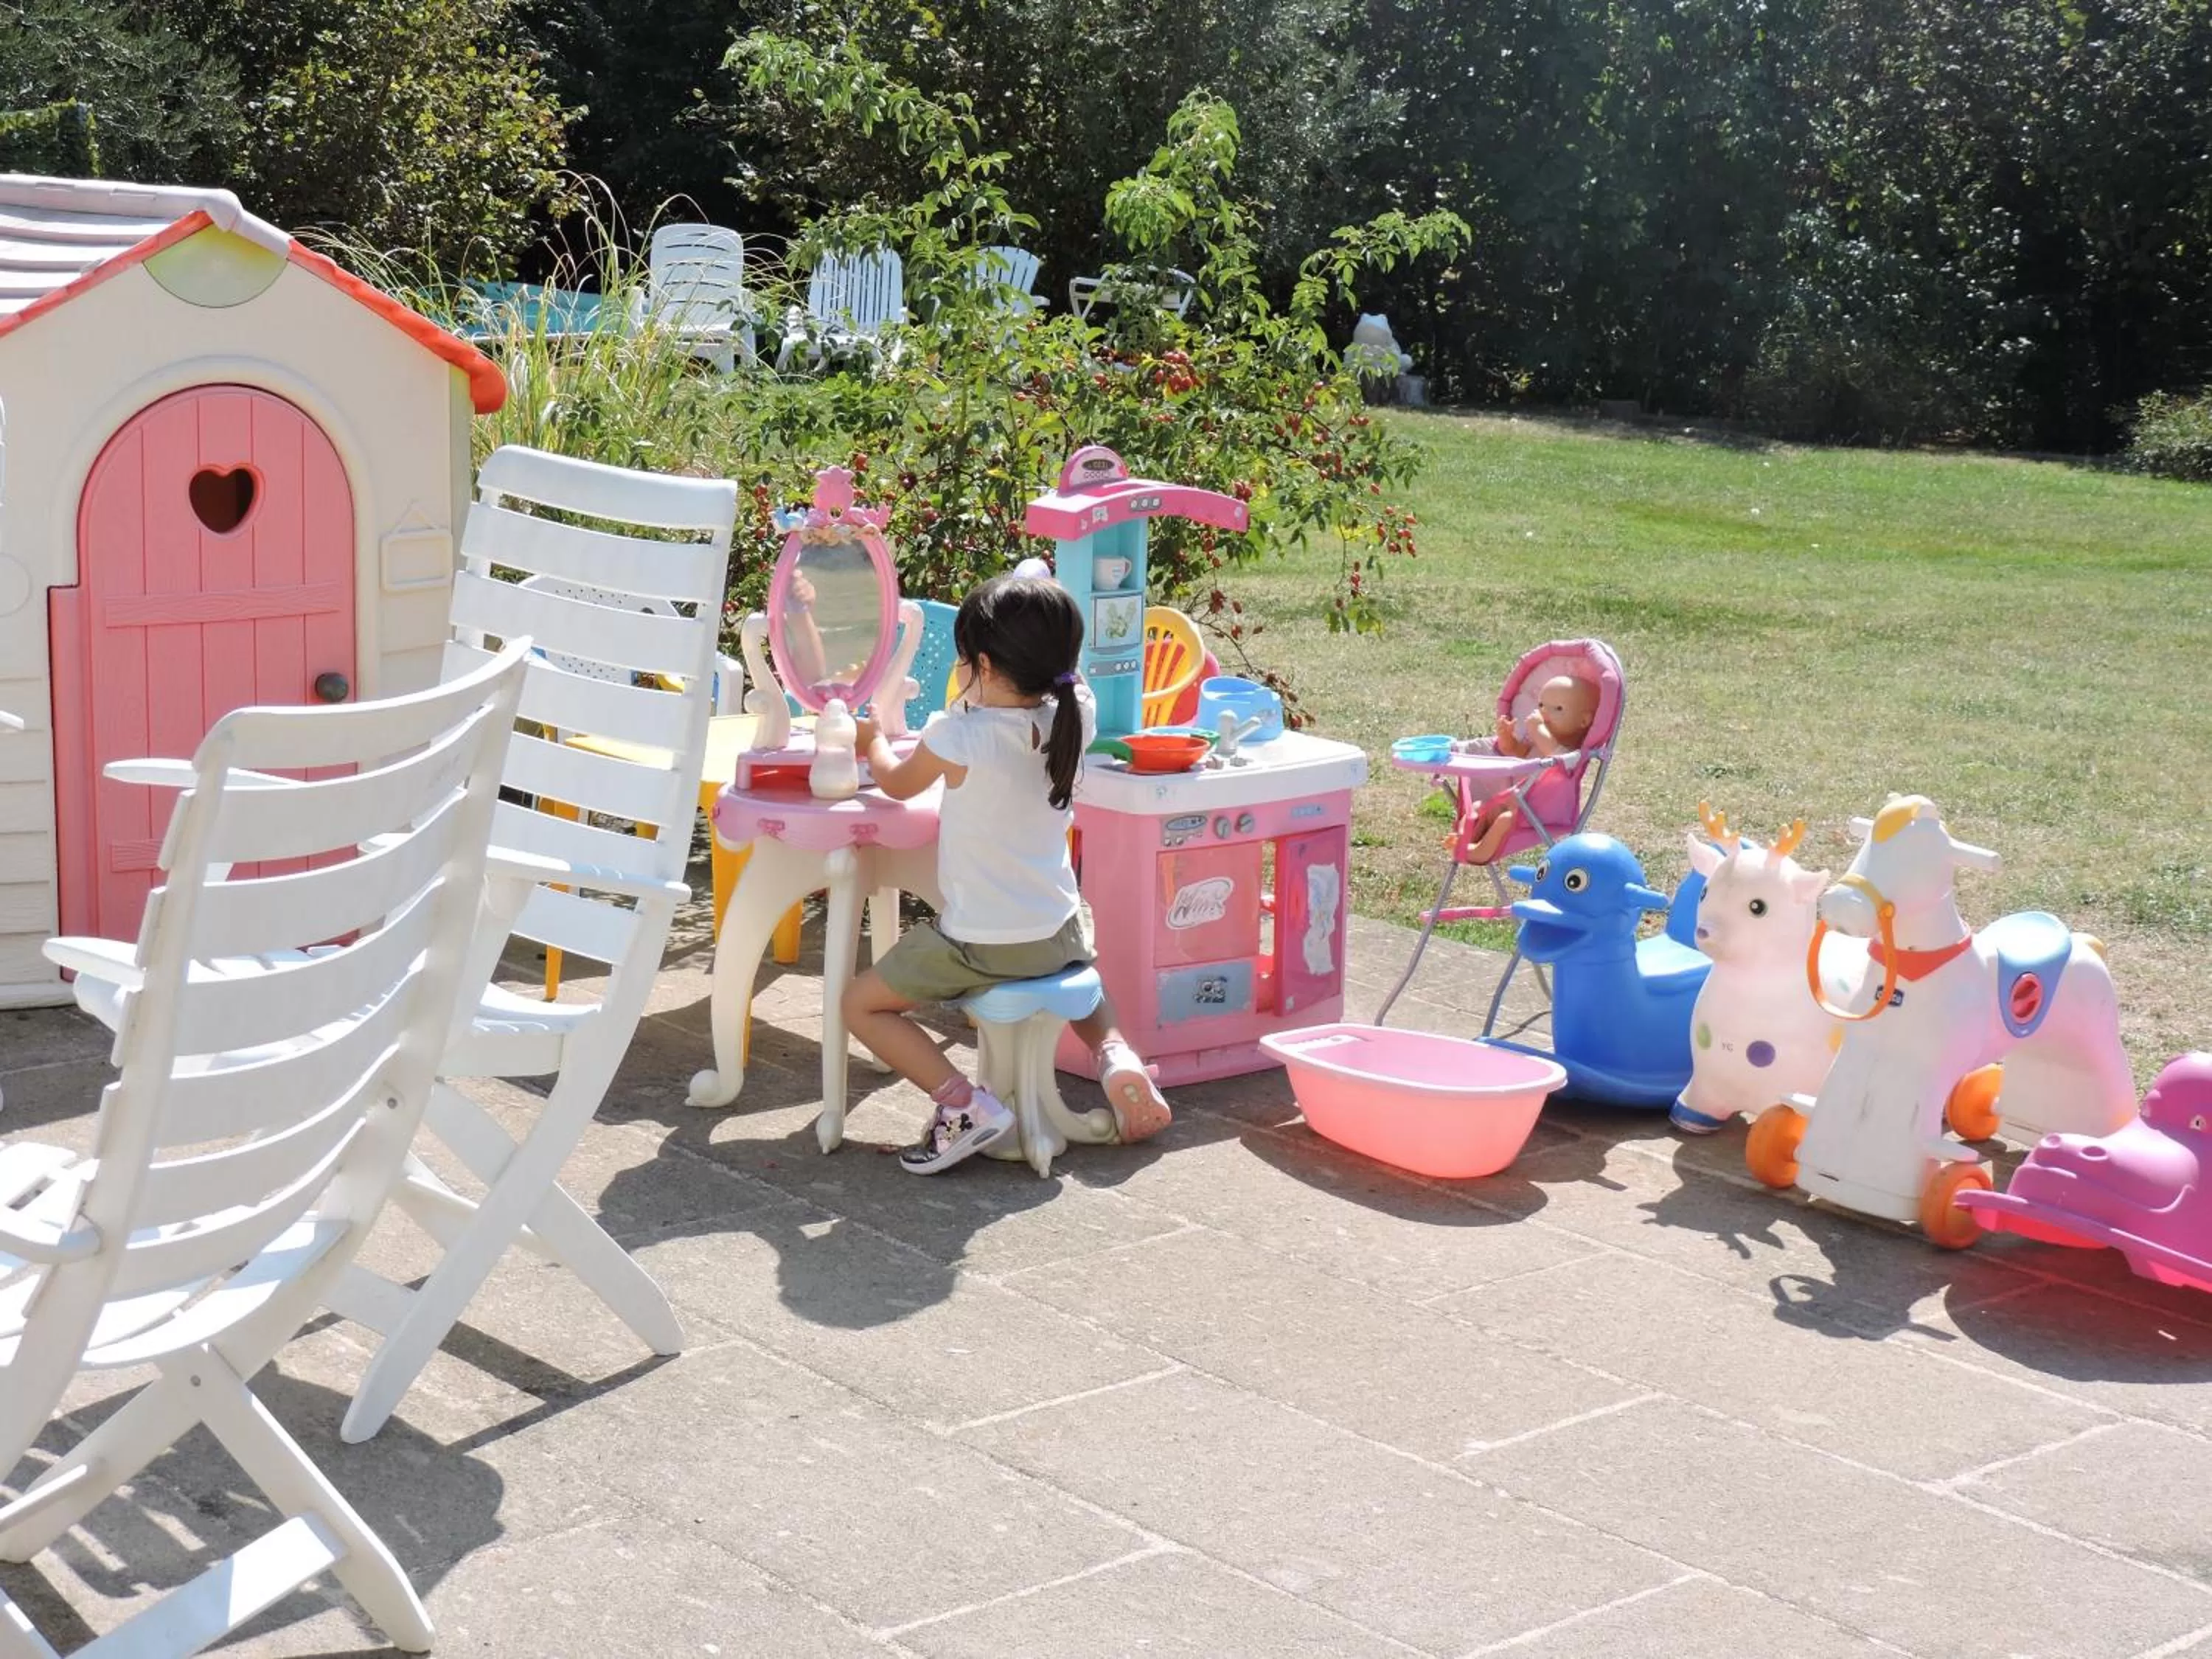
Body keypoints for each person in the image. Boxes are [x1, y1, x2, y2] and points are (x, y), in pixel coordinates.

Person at [845, 574, 1173, 1173]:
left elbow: (894, 783)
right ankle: (1115, 1053)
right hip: (1057, 932)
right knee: (1083, 965)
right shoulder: (1078, 715)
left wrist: (871, 741)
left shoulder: (959, 735)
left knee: (861, 1005)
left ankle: (963, 1105)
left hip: (980, 946)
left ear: (985, 664)